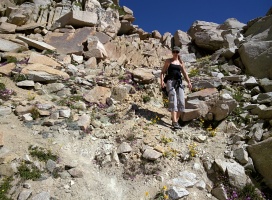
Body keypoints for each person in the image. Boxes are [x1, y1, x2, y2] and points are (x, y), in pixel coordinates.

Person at [160, 46, 192, 129]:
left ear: (178, 53)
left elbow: (184, 73)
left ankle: (175, 120)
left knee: (181, 102)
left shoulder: (181, 62)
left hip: (179, 83)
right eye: (174, 52)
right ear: (172, 52)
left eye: (176, 52)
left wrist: (189, 82)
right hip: (170, 82)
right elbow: (162, 72)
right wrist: (162, 81)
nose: (175, 53)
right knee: (173, 99)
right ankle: (174, 122)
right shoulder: (168, 61)